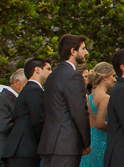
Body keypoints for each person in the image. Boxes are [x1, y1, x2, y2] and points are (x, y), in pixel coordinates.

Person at [39, 34, 91, 167]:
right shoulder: (73, 76)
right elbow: (79, 111)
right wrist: (86, 142)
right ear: (73, 51)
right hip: (66, 143)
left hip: (48, 142)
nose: (86, 52)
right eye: (83, 48)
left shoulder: (52, 76)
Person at [2, 59, 51, 167]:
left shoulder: (29, 89)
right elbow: (38, 120)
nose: (50, 72)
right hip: (26, 149)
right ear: (37, 70)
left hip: (22, 149)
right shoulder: (34, 90)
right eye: (48, 69)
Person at [78, 62, 114, 167]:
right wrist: (117, 125)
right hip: (101, 143)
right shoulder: (105, 98)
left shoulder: (90, 96)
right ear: (104, 78)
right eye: (113, 76)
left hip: (91, 140)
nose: (114, 79)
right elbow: (100, 124)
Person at [0, 70, 27, 166]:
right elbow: (4, 126)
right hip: (4, 154)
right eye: (27, 83)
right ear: (16, 82)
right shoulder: (2, 98)